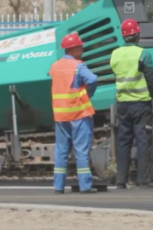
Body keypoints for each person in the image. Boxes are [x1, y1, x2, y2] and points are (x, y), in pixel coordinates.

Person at [109, 19, 153, 189]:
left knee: (123, 142)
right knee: (142, 140)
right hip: (141, 104)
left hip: (122, 104)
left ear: (124, 36)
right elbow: (151, 79)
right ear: (137, 34)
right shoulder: (143, 54)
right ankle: (143, 180)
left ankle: (121, 180)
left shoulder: (115, 54)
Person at [49, 32, 98, 194]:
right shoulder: (78, 66)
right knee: (81, 151)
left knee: (61, 151)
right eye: (80, 47)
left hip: (61, 115)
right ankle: (85, 186)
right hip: (78, 114)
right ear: (73, 50)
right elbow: (92, 79)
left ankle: (58, 186)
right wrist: (86, 95)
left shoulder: (54, 66)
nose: (82, 49)